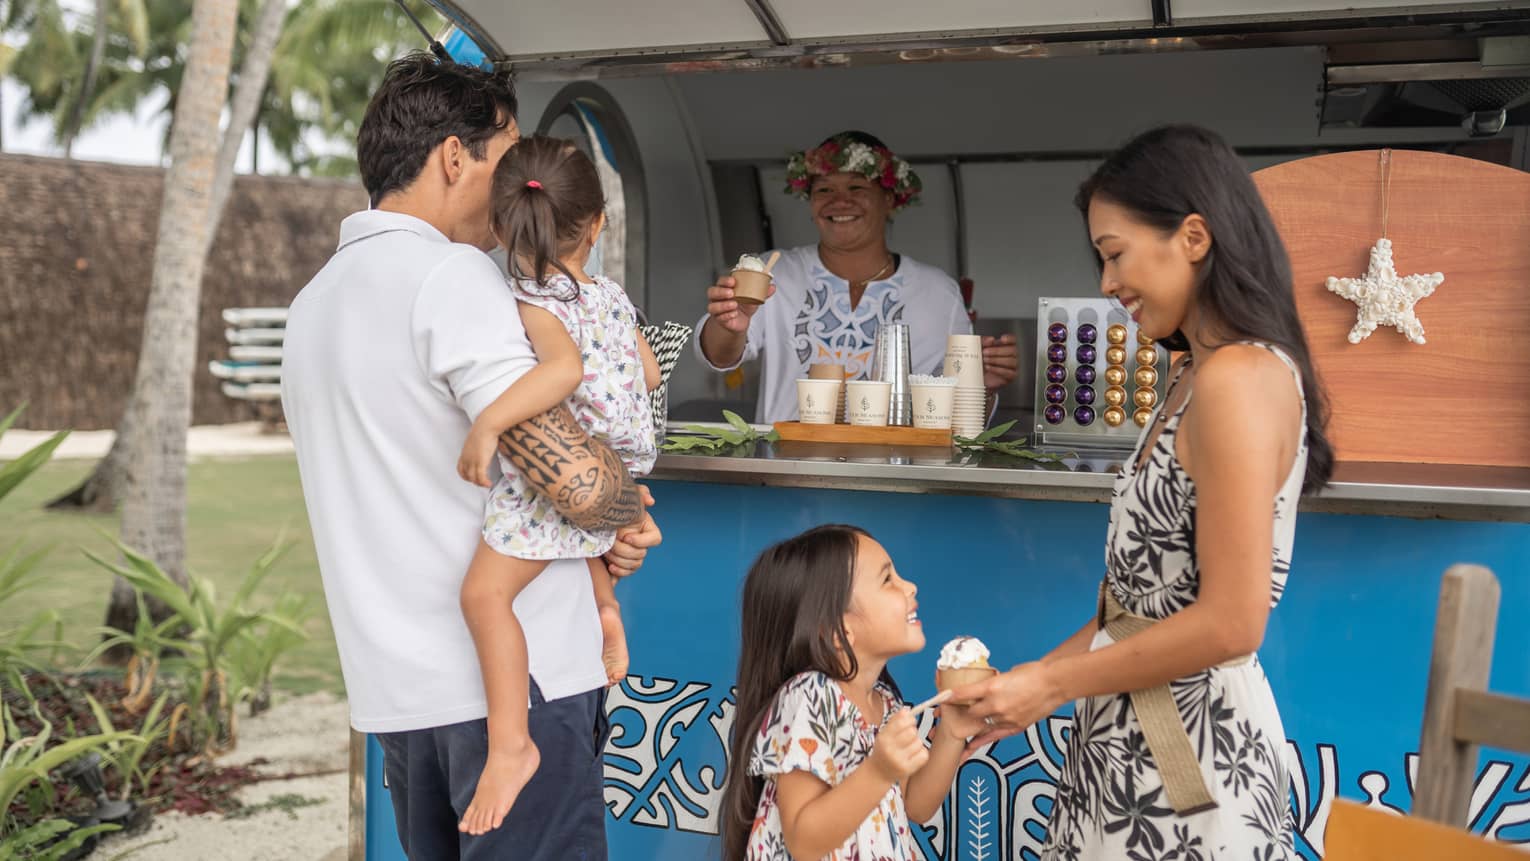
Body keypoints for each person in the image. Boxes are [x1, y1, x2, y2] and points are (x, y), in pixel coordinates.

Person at [280, 53, 661, 861]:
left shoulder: (313, 302)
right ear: (456, 156)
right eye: (506, 156)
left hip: (397, 692)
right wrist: (623, 517)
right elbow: (582, 484)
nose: (516, 184)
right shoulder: (452, 278)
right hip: (510, 696)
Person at [952, 125, 1334, 860]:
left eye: (1115, 253)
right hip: (1129, 747)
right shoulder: (1193, 373)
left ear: (1193, 235)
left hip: (1192, 755)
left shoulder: (1238, 379)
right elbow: (1130, 612)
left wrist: (1052, 682)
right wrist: (1033, 690)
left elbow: (1231, 622)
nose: (1106, 284)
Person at [453, 135, 662, 835]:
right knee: (577, 549)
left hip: (566, 480)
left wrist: (488, 424)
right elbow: (651, 374)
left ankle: (511, 743)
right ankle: (605, 606)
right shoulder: (609, 294)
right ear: (596, 225)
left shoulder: (531, 299)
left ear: (503, 221)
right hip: (622, 462)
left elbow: (562, 372)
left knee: (483, 595)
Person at [694, 131, 1020, 424]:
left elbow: (958, 414)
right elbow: (719, 356)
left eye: (856, 187)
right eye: (824, 189)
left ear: (889, 200)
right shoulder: (772, 272)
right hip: (785, 470)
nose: (840, 201)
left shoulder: (937, 292)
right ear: (810, 203)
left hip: (901, 473)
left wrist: (983, 385)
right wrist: (727, 324)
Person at [720, 524, 985, 860]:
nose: (910, 586)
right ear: (838, 629)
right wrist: (878, 770)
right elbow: (804, 841)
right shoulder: (810, 698)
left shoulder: (884, 702)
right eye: (888, 579)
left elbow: (916, 805)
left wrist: (952, 731)